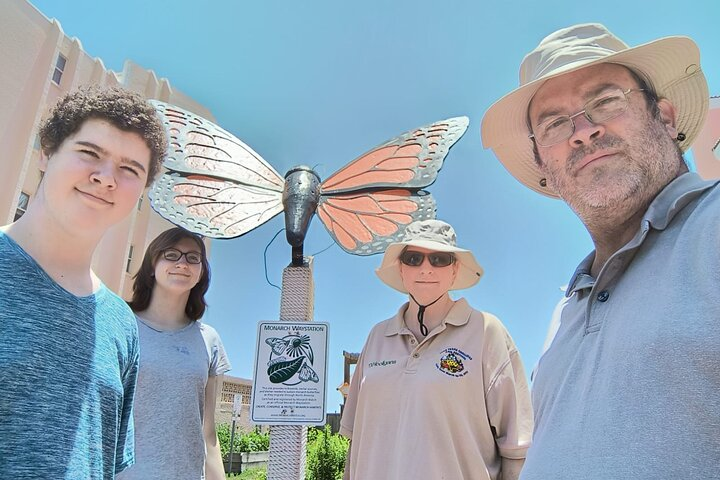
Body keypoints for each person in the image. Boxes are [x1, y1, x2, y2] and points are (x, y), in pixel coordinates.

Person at [482, 23, 719, 478]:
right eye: (554, 124)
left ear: (665, 117)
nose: (583, 131)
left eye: (606, 101)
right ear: (543, 169)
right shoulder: (565, 312)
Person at [0, 86, 167, 478]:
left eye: (130, 170)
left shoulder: (121, 323)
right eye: (90, 153)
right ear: (46, 152)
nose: (106, 178)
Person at [340, 219, 533, 480]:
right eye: (414, 258)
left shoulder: (487, 331)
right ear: (401, 268)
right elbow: (355, 445)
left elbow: (516, 450)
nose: (426, 269)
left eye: (439, 259)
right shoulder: (376, 337)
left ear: (454, 269)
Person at [118, 227, 230, 480]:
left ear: (201, 273)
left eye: (193, 258)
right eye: (171, 254)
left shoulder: (209, 339)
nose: (182, 263)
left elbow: (208, 434)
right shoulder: (120, 323)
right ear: (151, 265)